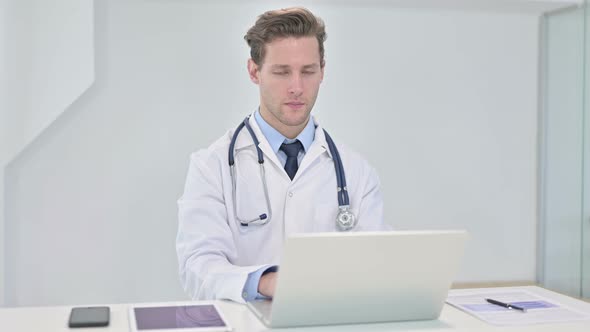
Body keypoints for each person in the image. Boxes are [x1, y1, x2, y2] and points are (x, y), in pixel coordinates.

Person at [176, 7, 389, 304]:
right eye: (282, 72)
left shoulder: (356, 171)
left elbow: (379, 264)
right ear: (254, 71)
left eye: (308, 71)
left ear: (323, 71)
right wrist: (263, 282)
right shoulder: (211, 166)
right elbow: (197, 267)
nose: (297, 88)